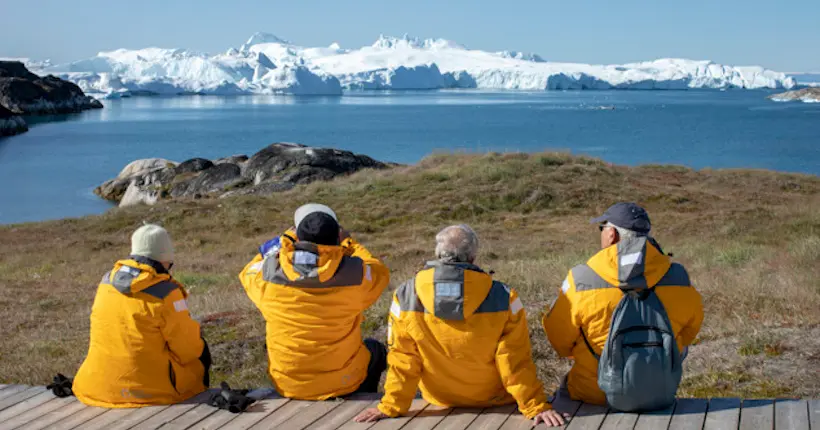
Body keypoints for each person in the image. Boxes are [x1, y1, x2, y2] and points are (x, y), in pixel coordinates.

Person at [355, 225, 567, 427]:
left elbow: (403, 358)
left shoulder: (405, 295)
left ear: (438, 254)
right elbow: (514, 361)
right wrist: (536, 406)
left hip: (437, 398)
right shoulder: (505, 297)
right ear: (472, 257)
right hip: (493, 399)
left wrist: (391, 406)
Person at [542, 203, 703, 410]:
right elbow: (690, 332)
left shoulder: (580, 279)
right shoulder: (679, 276)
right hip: (659, 391)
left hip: (594, 393)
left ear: (611, 235)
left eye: (602, 229)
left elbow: (558, 339)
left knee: (563, 392)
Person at [239, 203, 390, 400]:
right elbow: (378, 270)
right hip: (344, 381)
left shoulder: (267, 277)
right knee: (375, 350)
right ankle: (360, 397)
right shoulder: (358, 277)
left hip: (287, 385)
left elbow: (249, 269)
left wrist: (284, 239)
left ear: (298, 238)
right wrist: (349, 244)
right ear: (337, 238)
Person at [73, 224, 210, 408]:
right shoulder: (167, 292)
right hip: (148, 392)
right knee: (200, 352)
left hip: (95, 387)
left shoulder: (106, 281)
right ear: (165, 257)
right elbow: (188, 350)